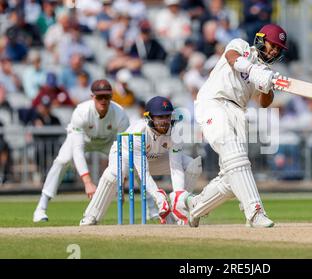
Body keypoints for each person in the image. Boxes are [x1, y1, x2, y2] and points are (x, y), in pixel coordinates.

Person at [186, 23, 288, 228]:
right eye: (273, 45)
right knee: (235, 156)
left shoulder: (265, 71)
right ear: (261, 40)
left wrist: (268, 86)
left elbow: (264, 103)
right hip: (213, 102)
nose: (275, 50)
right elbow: (231, 58)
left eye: (278, 49)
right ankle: (255, 212)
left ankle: (195, 205)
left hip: (238, 112)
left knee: (232, 176)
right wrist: (253, 70)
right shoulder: (240, 45)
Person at [79, 96, 202, 226]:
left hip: (154, 158)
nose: (165, 121)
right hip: (126, 156)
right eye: (160, 117)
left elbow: (176, 167)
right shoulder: (139, 132)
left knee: (192, 165)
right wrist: (159, 198)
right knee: (114, 173)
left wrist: (178, 196)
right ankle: (91, 216)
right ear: (149, 118)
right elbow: (143, 173)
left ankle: (178, 208)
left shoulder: (176, 132)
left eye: (167, 116)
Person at [33, 79, 130, 222]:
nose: (103, 100)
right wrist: (88, 182)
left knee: (136, 160)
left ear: (111, 97)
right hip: (83, 140)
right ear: (93, 97)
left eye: (107, 97)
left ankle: (151, 209)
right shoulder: (81, 112)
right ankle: (41, 208)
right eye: (99, 97)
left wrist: (122, 183)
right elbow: (77, 150)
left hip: (108, 142)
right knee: (62, 160)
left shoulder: (120, 114)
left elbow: (125, 150)